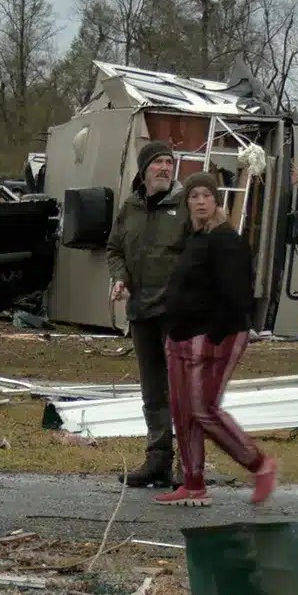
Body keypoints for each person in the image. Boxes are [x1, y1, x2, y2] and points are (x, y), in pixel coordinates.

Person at [155, 172, 278, 507]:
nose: (200, 202)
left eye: (206, 196)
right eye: (194, 196)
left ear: (216, 200)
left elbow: (237, 295)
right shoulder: (192, 238)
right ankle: (193, 483)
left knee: (203, 408)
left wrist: (216, 335)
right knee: (182, 411)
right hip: (180, 334)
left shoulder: (227, 240)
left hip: (214, 334)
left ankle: (259, 464)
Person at [105, 141, 187, 488]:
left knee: (182, 389)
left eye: (169, 162)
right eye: (159, 163)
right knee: (153, 391)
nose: (165, 168)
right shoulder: (130, 208)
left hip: (177, 313)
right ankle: (157, 462)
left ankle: (191, 466)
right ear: (144, 171)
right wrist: (121, 278)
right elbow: (114, 249)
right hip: (141, 311)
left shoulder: (186, 206)